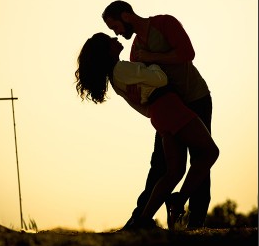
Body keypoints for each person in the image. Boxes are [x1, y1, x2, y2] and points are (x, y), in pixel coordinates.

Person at [75, 32, 219, 230]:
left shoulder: (116, 79)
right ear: (107, 50)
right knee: (210, 152)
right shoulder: (122, 68)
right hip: (170, 107)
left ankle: (143, 219)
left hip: (158, 114)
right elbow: (160, 79)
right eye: (111, 40)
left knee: (174, 171)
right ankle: (179, 200)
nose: (116, 40)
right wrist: (152, 66)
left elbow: (142, 107)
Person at [102, 0, 213, 230]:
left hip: (196, 98)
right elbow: (142, 89)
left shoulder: (165, 23)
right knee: (162, 165)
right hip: (168, 108)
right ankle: (141, 218)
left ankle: (196, 221)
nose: (117, 34)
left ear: (126, 15)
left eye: (116, 27)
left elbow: (187, 54)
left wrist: (152, 56)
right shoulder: (133, 53)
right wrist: (151, 112)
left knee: (198, 158)